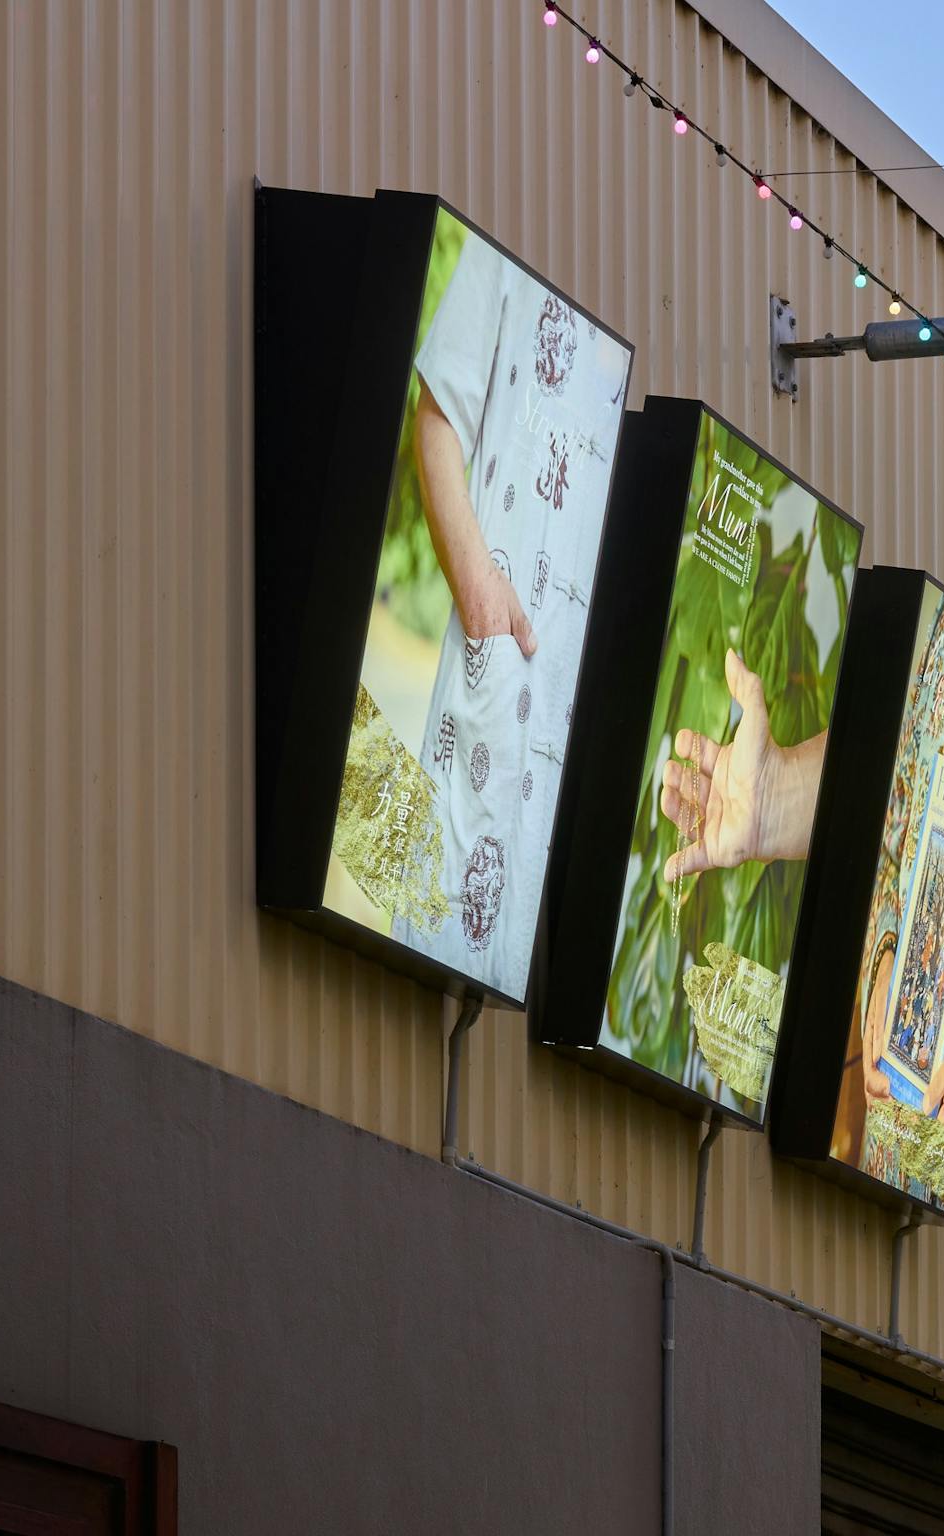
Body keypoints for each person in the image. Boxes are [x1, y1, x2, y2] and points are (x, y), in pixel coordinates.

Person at [393, 225, 629, 1000]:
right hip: (495, 694)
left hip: (578, 745)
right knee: (426, 965)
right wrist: (479, 593)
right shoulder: (514, 239)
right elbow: (438, 412)